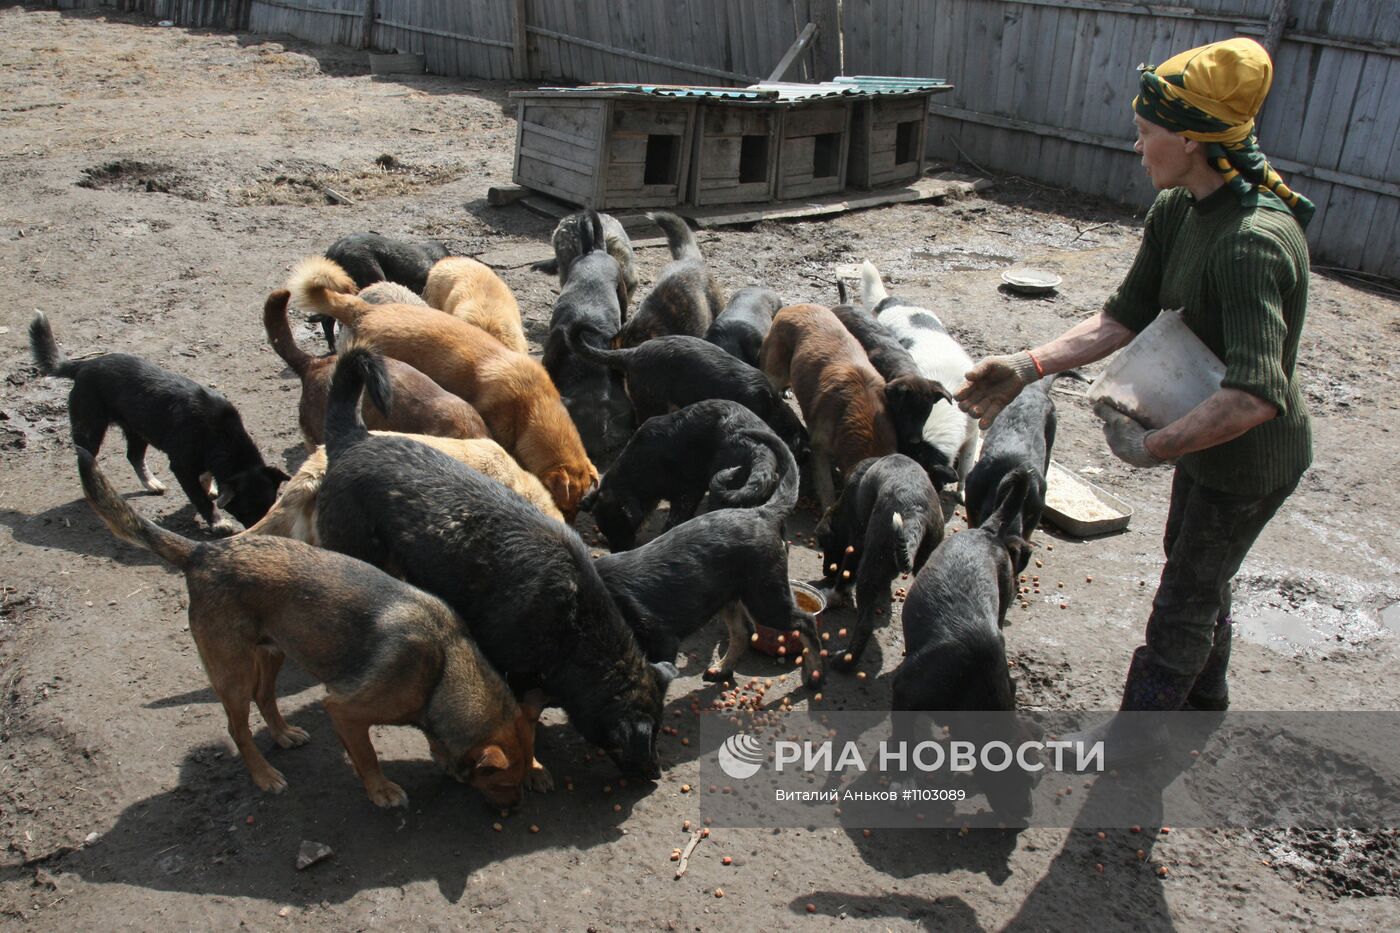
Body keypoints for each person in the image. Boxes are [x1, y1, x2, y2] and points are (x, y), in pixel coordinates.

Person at [955, 38, 1314, 764]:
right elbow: (1124, 317)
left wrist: (1152, 446)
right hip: (1206, 435)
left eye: (1147, 132)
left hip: (1248, 460)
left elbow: (1253, 397)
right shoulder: (1182, 210)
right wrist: (1028, 365)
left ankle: (1135, 746)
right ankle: (1205, 699)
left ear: (1190, 138)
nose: (1136, 144)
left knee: (1185, 593)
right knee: (1197, 563)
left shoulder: (1252, 244)